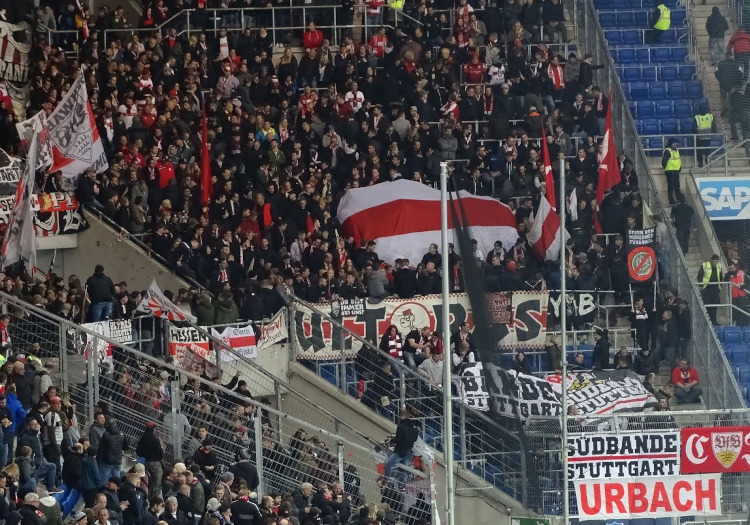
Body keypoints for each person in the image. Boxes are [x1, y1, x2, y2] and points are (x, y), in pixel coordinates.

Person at [383, 409, 418, 487]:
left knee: (387, 465)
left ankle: (385, 480)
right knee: (402, 469)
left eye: (400, 417)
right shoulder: (414, 429)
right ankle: (402, 485)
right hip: (408, 452)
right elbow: (414, 439)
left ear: (403, 416)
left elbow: (398, 439)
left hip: (400, 451)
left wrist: (391, 440)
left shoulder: (401, 426)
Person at [697, 253, 724, 324]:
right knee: (707, 305)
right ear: (711, 260)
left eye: (717, 261)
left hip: (715, 288)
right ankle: (707, 321)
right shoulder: (705, 265)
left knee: (714, 305)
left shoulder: (719, 266)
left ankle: (714, 321)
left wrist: (720, 286)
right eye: (714, 261)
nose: (716, 263)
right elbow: (699, 276)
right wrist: (702, 286)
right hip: (707, 288)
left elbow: (721, 277)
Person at [661, 139, 681, 204]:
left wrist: (679, 168)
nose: (677, 144)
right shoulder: (667, 151)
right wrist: (666, 168)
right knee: (671, 186)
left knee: (677, 186)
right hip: (670, 171)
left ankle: (679, 199)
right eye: (675, 143)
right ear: (672, 143)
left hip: (676, 170)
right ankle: (671, 200)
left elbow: (678, 160)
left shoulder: (676, 151)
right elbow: (664, 161)